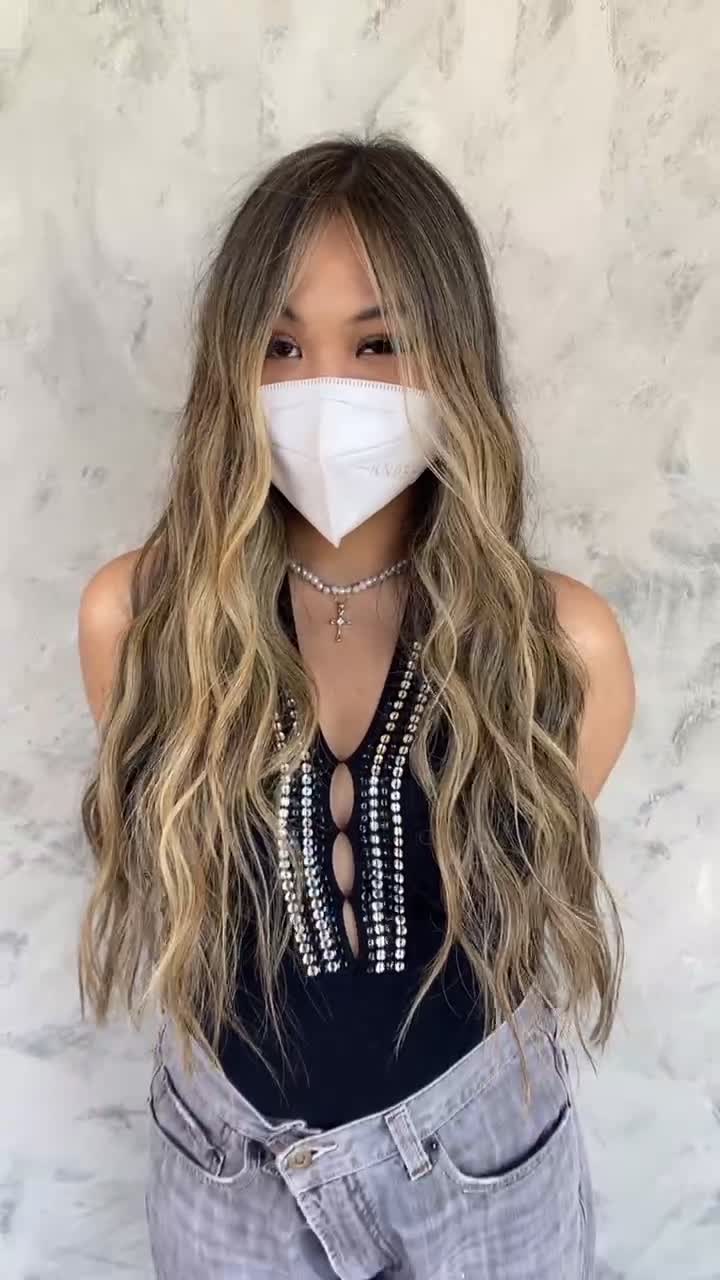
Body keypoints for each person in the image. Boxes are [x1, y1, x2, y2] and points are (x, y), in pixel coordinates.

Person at [76, 132, 635, 1280]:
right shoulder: (142, 618)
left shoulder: (557, 646)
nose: (323, 386)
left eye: (378, 343)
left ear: (453, 358)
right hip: (226, 1165)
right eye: (281, 343)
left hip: (482, 1164)